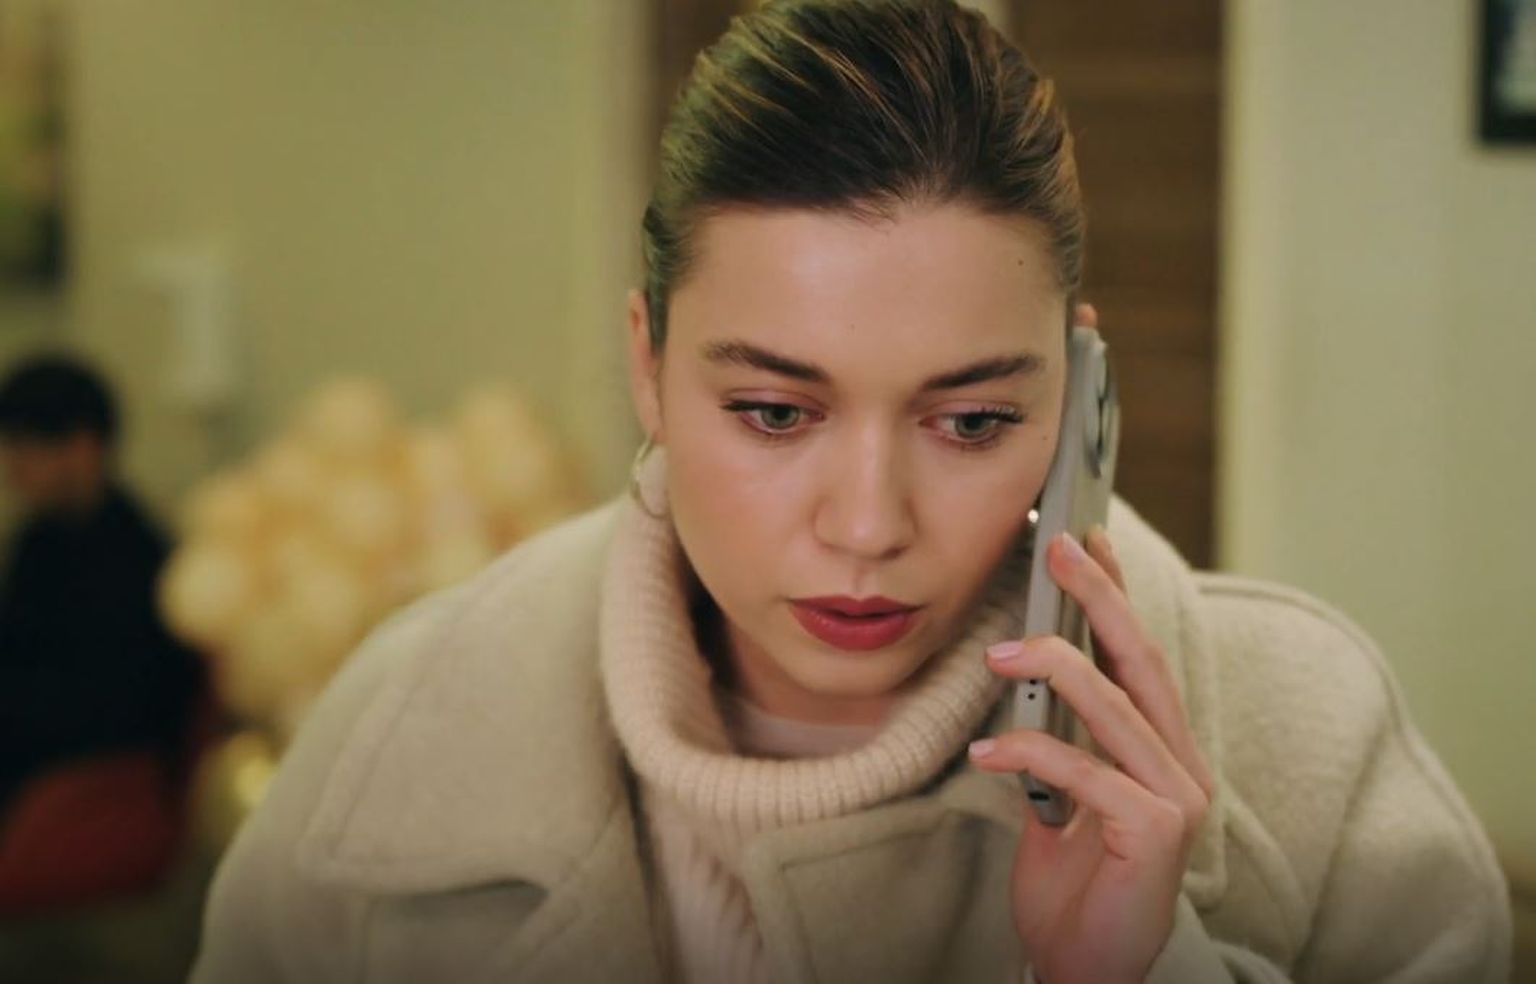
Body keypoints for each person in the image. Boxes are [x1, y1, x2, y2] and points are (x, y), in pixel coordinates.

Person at [190, 2, 1511, 981]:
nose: (869, 526)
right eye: (774, 413)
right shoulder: (390, 750)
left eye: (973, 421)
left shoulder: (1317, 757)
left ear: (1078, 395)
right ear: (649, 365)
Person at [0, 355, 202, 815]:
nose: (12, 471)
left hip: (89, 785)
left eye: (25, 449)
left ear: (82, 447)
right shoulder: (38, 542)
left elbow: (118, 709)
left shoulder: (140, 560)